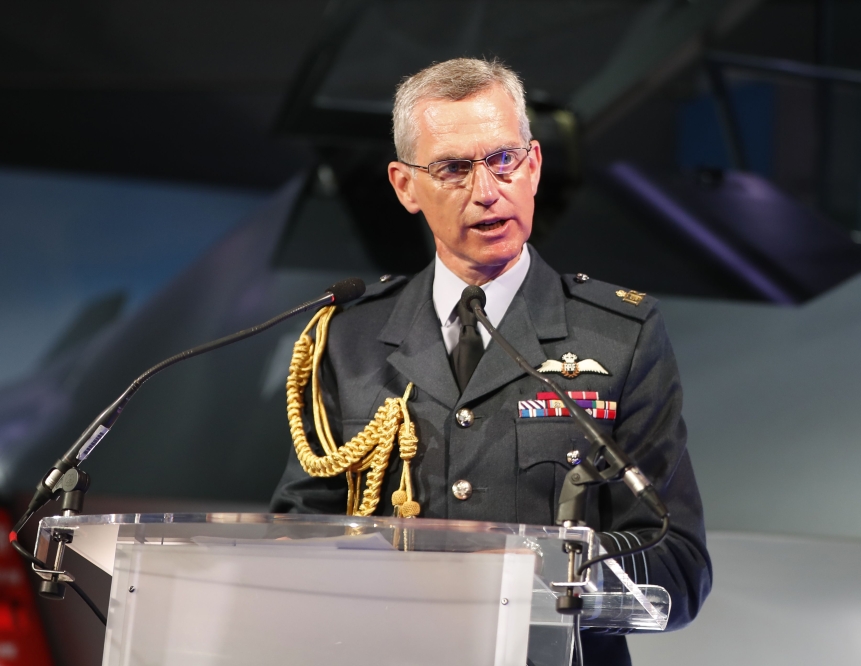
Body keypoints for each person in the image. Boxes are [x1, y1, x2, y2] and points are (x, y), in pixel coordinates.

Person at [270, 58, 711, 665]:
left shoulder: (620, 335)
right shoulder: (349, 337)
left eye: (502, 159)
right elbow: (297, 536)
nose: (486, 191)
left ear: (532, 166)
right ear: (404, 186)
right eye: (453, 168)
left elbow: (678, 568)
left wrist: (542, 575)